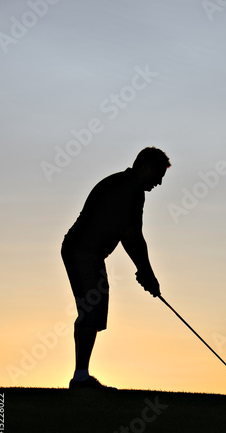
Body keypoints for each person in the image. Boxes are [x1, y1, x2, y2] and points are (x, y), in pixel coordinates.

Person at [61, 146, 171, 390]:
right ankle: (80, 379)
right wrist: (147, 274)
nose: (160, 183)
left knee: (95, 308)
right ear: (146, 167)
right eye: (159, 175)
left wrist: (145, 272)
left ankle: (81, 376)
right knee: (92, 308)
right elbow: (131, 237)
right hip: (82, 251)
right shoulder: (128, 189)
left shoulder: (129, 187)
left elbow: (131, 237)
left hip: (89, 253)